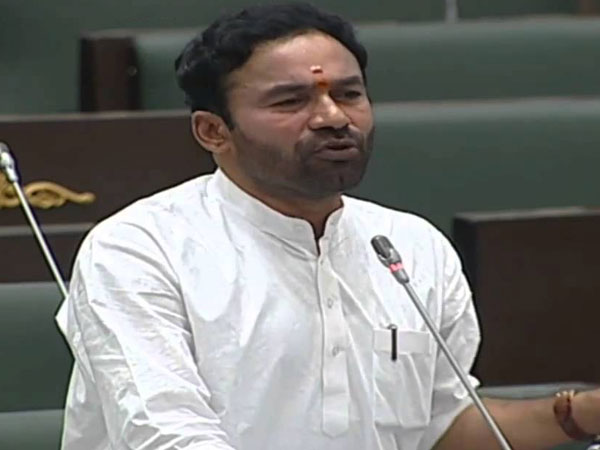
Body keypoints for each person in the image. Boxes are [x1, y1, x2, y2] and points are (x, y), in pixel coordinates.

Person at [56, 3, 600, 450]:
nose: (333, 117)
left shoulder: (413, 247)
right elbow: (167, 437)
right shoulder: (138, 250)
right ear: (213, 131)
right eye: (291, 101)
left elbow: (440, 429)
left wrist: (583, 413)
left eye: (349, 93)